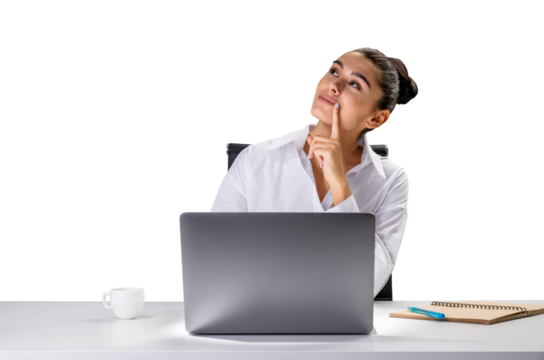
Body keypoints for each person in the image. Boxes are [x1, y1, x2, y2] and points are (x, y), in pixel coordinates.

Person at [211, 45, 418, 298]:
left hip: (343, 329)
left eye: (355, 84)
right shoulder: (257, 159)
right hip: (258, 318)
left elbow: (368, 283)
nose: (334, 86)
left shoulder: (392, 180)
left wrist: (339, 185)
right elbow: (213, 262)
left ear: (376, 119)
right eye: (334, 71)